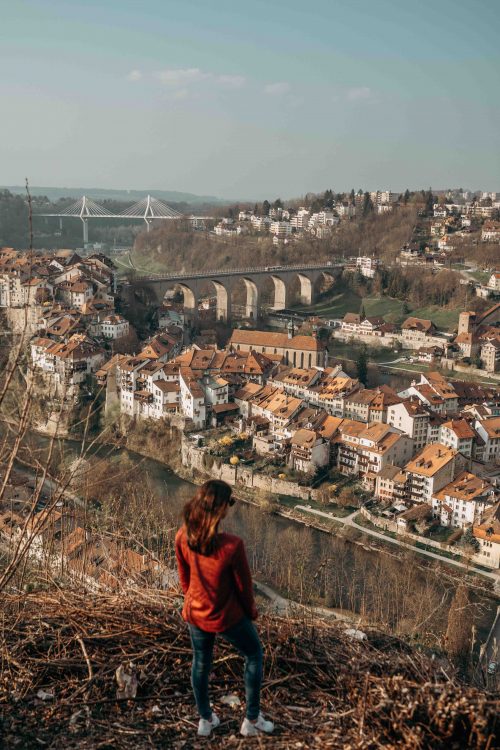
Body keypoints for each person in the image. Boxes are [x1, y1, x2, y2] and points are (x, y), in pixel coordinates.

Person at [175, 479, 274, 739]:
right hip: (225, 616)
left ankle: (206, 719)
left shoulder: (183, 536)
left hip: (195, 613)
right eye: (229, 503)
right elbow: (244, 589)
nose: (230, 508)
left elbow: (185, 578)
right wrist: (251, 612)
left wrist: (193, 601)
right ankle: (251, 719)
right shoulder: (231, 546)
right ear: (220, 509)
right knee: (253, 654)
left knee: (201, 664)